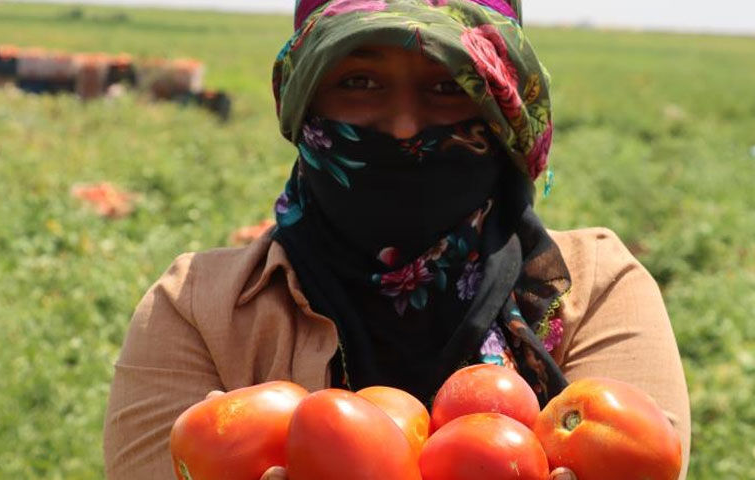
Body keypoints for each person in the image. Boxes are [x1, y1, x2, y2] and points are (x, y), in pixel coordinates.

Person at [103, 1, 691, 479]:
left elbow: (640, 462)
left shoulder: (599, 287)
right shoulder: (197, 308)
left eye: (448, 85)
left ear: (501, 112)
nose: (405, 124)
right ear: (304, 102)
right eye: (359, 82)